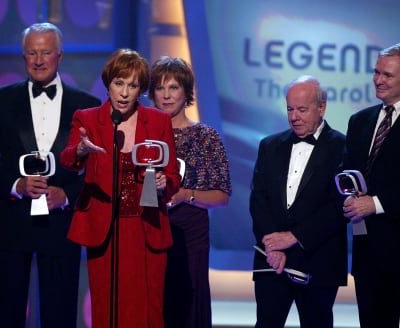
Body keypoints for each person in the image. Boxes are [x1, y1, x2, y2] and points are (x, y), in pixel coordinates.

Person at [0, 22, 101, 328]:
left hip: (61, 224)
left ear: (59, 56)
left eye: (45, 52)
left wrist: (67, 194)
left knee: (59, 314)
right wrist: (16, 184)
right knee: (6, 314)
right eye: (32, 53)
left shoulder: (87, 106)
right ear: (23, 56)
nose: (38, 59)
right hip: (11, 222)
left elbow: (97, 169)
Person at [59, 48, 181, 327]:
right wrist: (79, 149)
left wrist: (165, 183)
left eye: (133, 85)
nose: (125, 93)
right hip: (104, 227)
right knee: (106, 305)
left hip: (145, 225)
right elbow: (67, 159)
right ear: (108, 83)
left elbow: (172, 174)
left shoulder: (159, 121)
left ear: (141, 90)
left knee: (148, 309)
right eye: (119, 83)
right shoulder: (87, 119)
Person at [249, 75, 348, 328]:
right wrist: (274, 245)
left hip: (318, 259)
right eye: (290, 109)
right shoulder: (269, 145)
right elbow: (259, 199)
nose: (294, 117)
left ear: (321, 107)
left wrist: (294, 237)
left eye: (302, 109)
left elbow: (338, 207)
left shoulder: (344, 147)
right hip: (271, 259)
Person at [148, 56, 232, 328]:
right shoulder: (142, 135)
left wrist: (186, 194)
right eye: (160, 88)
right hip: (148, 233)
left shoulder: (205, 136)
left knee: (187, 312)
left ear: (186, 92)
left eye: (173, 88)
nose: (166, 95)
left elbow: (221, 196)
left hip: (190, 237)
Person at [341, 43, 400, 328]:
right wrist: (348, 197)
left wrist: (375, 204)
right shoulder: (360, 121)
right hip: (368, 254)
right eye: (376, 72)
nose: (378, 80)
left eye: (387, 75)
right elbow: (348, 173)